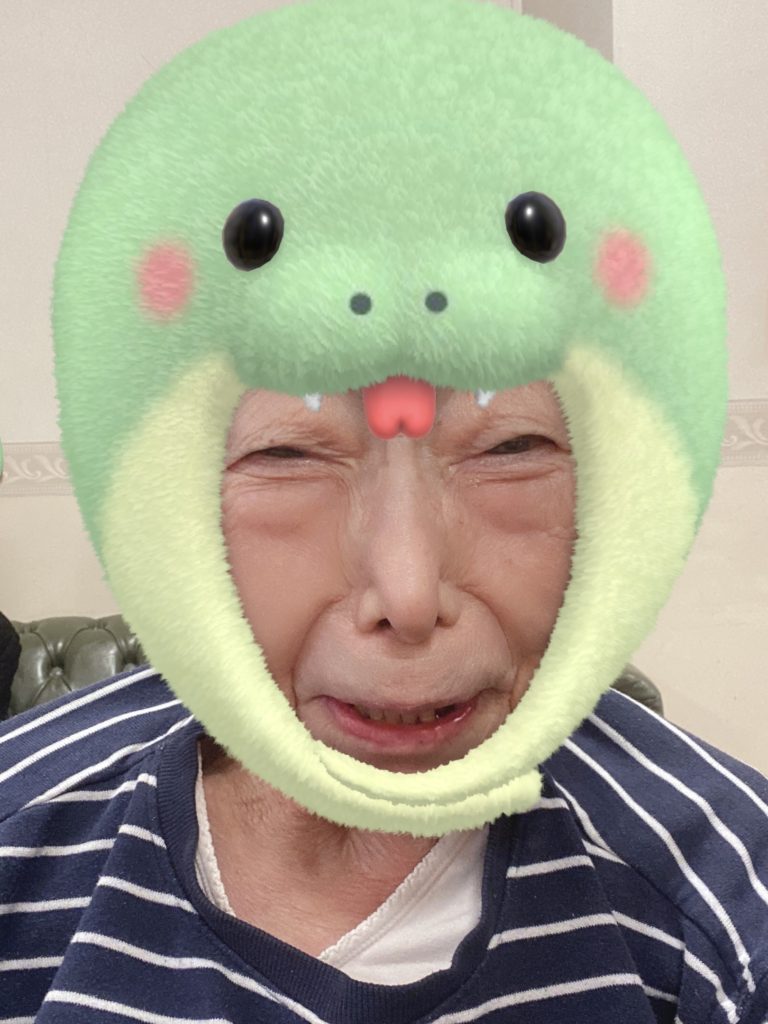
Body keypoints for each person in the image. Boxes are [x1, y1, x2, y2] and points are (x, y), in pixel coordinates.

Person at [2, 0, 766, 1021]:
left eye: (510, 450)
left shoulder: (726, 904)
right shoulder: (23, 835)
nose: (407, 594)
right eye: (285, 456)